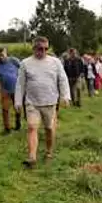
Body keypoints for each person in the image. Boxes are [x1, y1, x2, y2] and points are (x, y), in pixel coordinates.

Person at [14, 36, 71, 168]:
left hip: (50, 102)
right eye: (40, 48)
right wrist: (18, 101)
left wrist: (65, 96)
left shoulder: (55, 62)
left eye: (46, 49)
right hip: (32, 103)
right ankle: (32, 157)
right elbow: (20, 84)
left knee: (49, 129)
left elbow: (62, 79)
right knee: (32, 127)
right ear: (34, 48)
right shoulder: (25, 63)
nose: (43, 51)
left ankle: (49, 152)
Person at [0, 47, 22, 135]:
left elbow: (23, 69)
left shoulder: (14, 61)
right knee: (5, 109)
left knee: (17, 107)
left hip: (16, 88)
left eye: (2, 55)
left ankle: (18, 122)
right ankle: (7, 129)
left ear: (6, 53)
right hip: (4, 90)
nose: (1, 58)